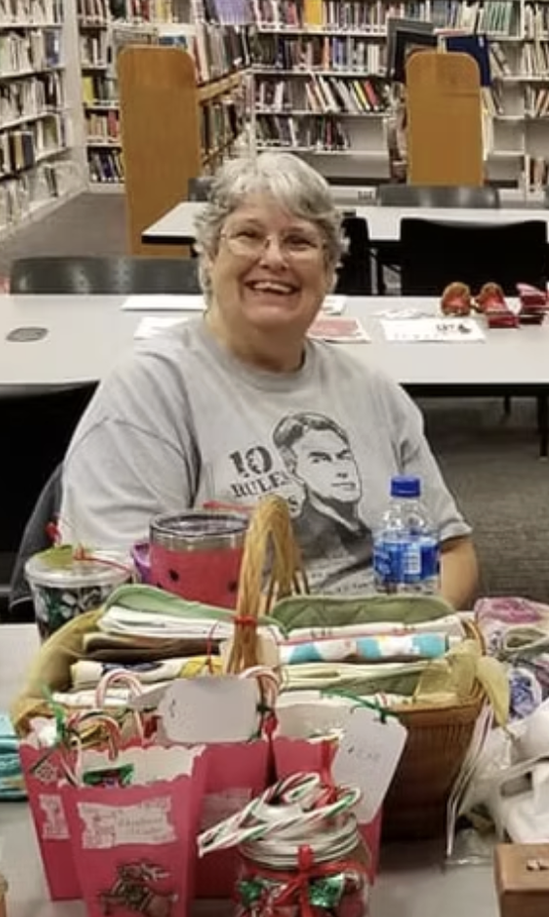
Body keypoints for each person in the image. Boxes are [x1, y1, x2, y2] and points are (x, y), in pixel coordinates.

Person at [60, 151, 480, 606]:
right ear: (209, 256)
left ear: (329, 270)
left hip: (387, 651)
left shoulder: (373, 390)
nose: (274, 258)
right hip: (237, 662)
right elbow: (127, 593)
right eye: (248, 235)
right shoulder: (149, 393)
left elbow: (454, 550)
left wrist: (417, 632)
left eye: (299, 241)